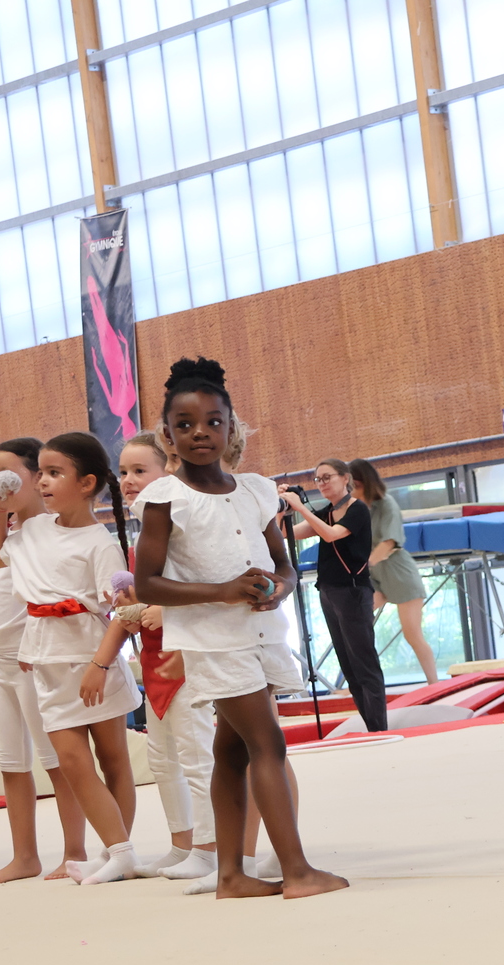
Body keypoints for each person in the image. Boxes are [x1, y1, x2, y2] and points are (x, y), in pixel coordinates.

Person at [133, 357, 346, 899]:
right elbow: (147, 583)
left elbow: (284, 566)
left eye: (213, 421)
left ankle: (230, 875)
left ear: (231, 427)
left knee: (231, 750)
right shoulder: (164, 498)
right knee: (266, 743)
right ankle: (297, 872)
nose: (200, 433)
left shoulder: (255, 490)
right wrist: (223, 591)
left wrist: (278, 588)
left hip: (261, 635)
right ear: (167, 436)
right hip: (213, 641)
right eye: (184, 425)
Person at [0, 432, 142, 885]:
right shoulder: (31, 530)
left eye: (54, 473)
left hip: (92, 658)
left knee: (113, 759)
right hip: (47, 661)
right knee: (72, 762)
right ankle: (121, 852)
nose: (43, 482)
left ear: (87, 483)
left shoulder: (100, 542)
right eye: (41, 473)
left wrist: (100, 666)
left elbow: (123, 613)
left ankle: (115, 852)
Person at [0, 437, 89, 883]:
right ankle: (24, 856)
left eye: (7, 475)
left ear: (36, 478)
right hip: (1, 660)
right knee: (11, 761)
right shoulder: (7, 537)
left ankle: (75, 851)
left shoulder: (51, 529)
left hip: (36, 656)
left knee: (56, 760)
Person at [118, 430, 217, 880]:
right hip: (156, 657)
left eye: (140, 470)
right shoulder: (146, 530)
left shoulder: (188, 521)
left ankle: (211, 847)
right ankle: (183, 842)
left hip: (190, 653)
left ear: (170, 470)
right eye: (123, 471)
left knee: (197, 754)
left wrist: (165, 609)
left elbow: (211, 584)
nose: (128, 480)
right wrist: (134, 608)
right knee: (161, 757)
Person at [280, 461, 388, 733]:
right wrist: (283, 509)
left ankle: (380, 728)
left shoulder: (357, 509)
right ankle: (371, 727)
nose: (322, 483)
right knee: (349, 667)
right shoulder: (326, 512)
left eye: (327, 477)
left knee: (364, 663)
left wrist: (301, 507)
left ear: (345, 478)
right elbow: (285, 533)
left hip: (353, 592)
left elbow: (331, 535)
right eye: (318, 479)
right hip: (329, 592)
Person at [348, 458, 437, 686]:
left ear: (360, 484)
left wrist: (362, 566)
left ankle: (435, 684)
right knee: (355, 620)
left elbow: (388, 543)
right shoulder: (358, 508)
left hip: (398, 573)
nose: (348, 492)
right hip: (377, 576)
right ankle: (361, 683)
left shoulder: (386, 504)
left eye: (351, 486)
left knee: (412, 635)